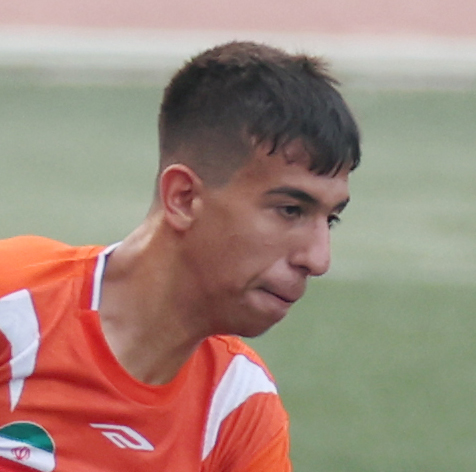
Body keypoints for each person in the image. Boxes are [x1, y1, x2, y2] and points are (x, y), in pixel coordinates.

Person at [0, 41, 360, 471]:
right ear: (184, 198)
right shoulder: (14, 302)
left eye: (330, 219)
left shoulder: (238, 407)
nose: (318, 260)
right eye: (290, 210)